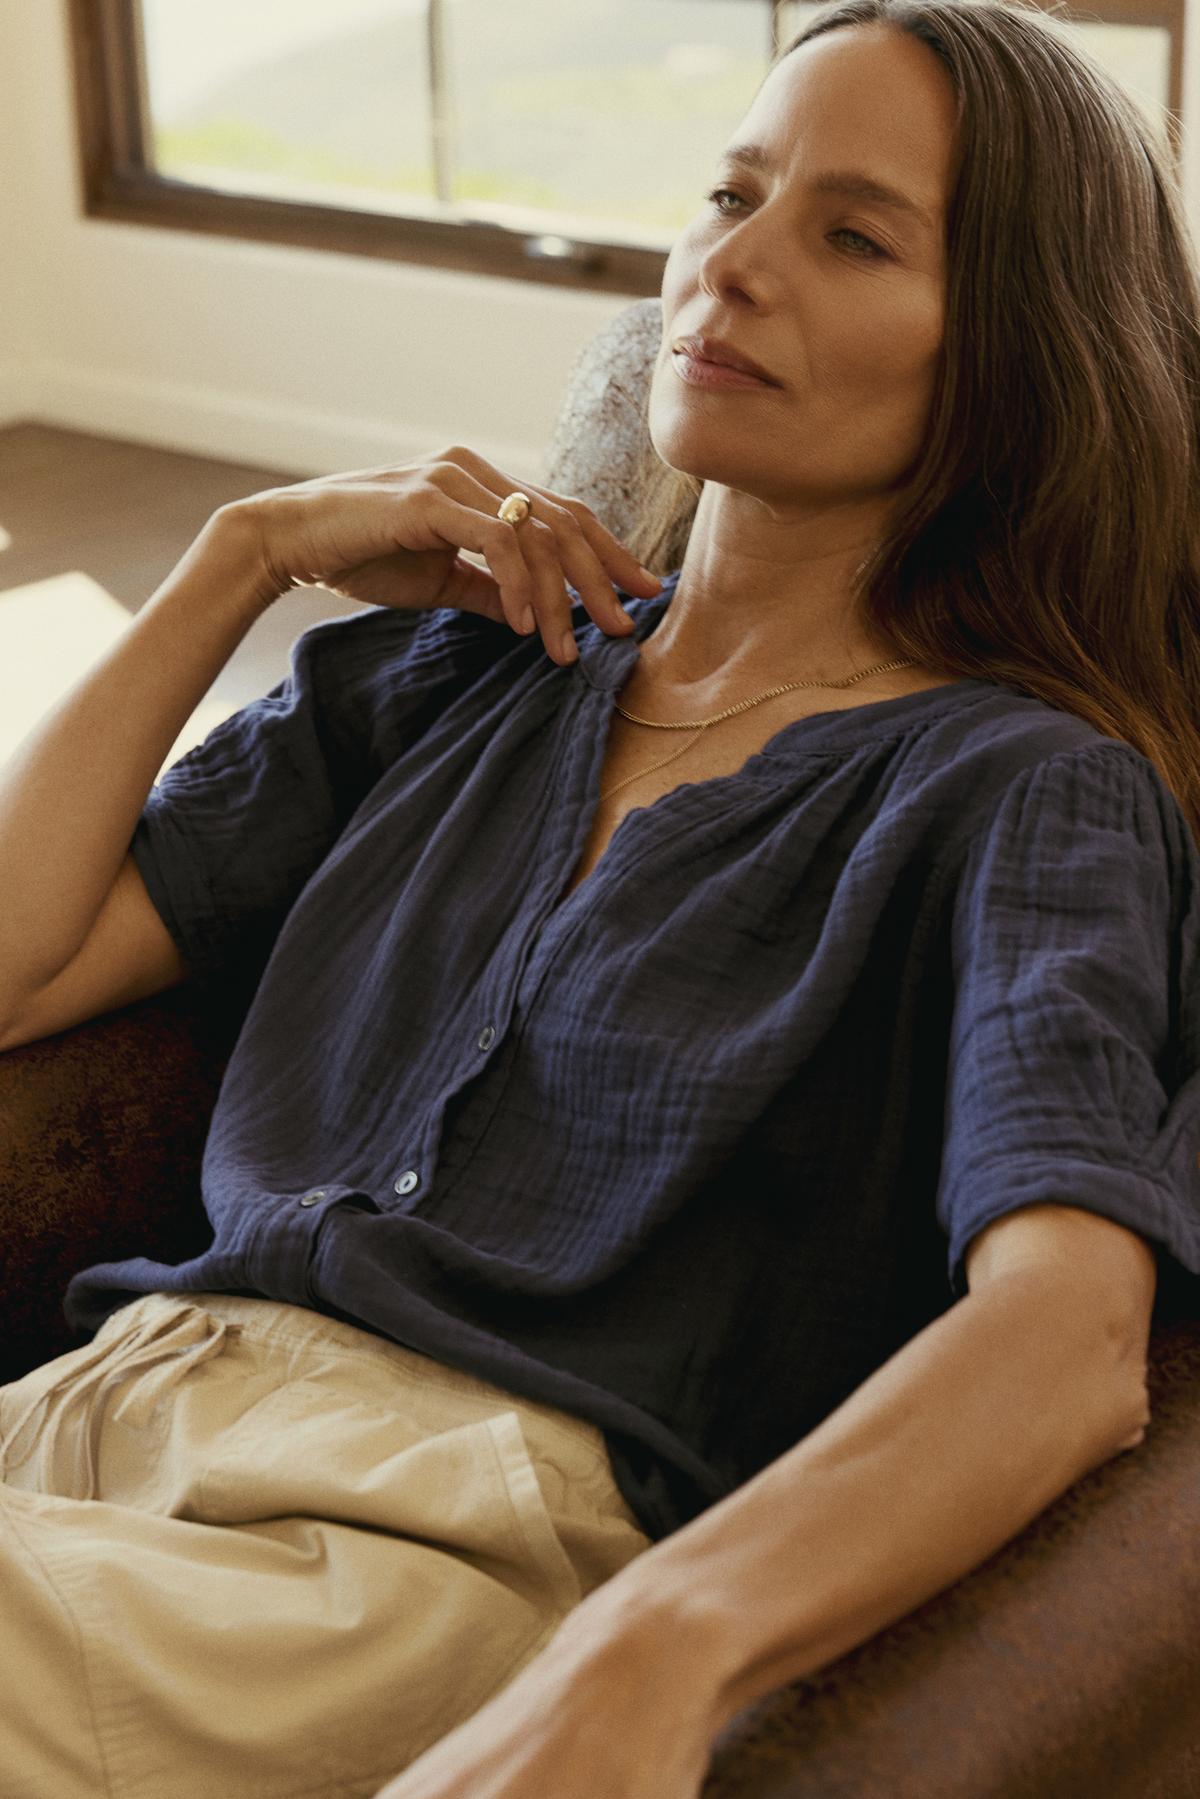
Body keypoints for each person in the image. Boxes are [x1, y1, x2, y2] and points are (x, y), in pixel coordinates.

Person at [2, 0, 1199, 1793]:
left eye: (854, 236)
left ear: (1011, 355)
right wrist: (238, 555)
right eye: (731, 193)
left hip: (411, 1554)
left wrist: (666, 1642)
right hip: (96, 1422)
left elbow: (1073, 1339)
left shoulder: (1017, 794)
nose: (737, 266)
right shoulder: (474, 668)